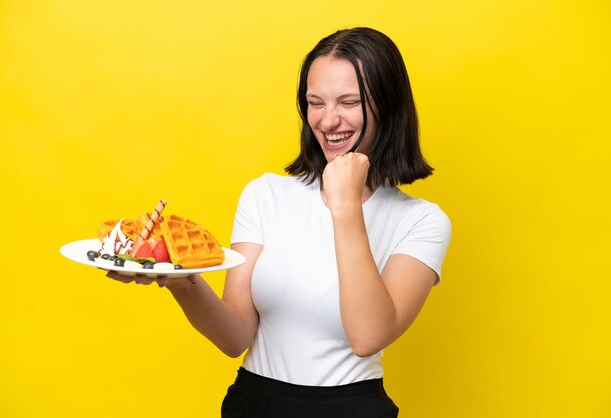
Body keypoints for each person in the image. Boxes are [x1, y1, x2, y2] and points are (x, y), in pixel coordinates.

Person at [109, 26, 451, 418]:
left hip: (352, 407)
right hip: (255, 403)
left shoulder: (421, 221)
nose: (328, 120)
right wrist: (181, 281)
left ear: (388, 107)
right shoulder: (265, 194)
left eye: (349, 102)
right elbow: (235, 335)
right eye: (315, 102)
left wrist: (345, 206)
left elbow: (367, 336)